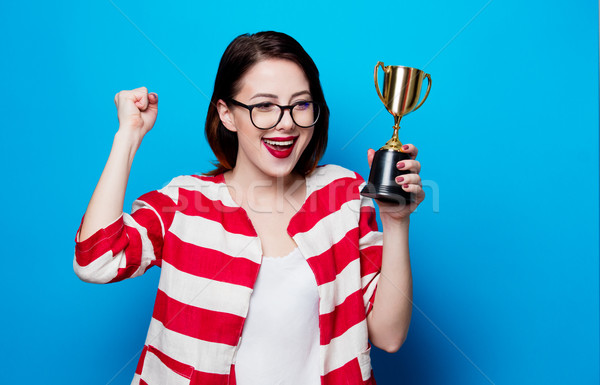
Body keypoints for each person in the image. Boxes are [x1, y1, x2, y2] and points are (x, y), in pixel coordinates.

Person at [73, 31, 424, 385]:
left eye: (301, 104)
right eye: (264, 106)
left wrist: (396, 221)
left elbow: (389, 336)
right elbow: (95, 261)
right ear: (226, 114)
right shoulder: (185, 202)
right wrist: (128, 136)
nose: (285, 123)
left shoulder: (343, 195)